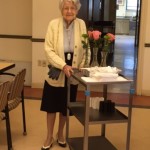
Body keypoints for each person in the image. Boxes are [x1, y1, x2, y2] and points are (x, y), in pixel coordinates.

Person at [40, 0, 90, 149]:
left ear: (77, 10)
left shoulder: (81, 24)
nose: (69, 11)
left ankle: (60, 133)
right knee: (51, 107)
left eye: (72, 8)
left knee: (65, 107)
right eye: (66, 8)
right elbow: (48, 49)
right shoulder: (53, 24)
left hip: (72, 72)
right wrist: (63, 65)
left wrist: (83, 65)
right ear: (61, 10)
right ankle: (49, 136)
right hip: (56, 70)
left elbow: (86, 47)